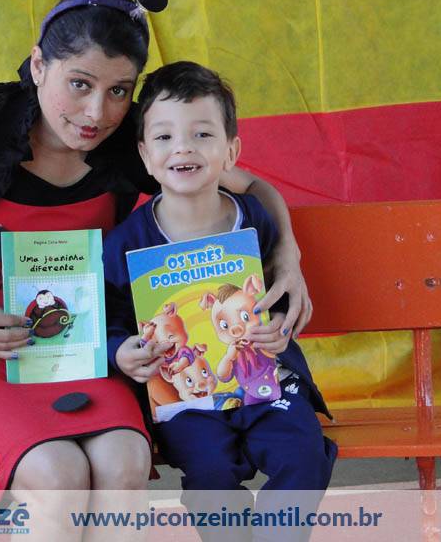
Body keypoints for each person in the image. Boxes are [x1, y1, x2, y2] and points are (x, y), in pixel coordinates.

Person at [0, 0, 310, 521]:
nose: (96, 114)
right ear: (39, 64)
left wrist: (288, 258)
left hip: (76, 352)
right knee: (56, 472)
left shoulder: (132, 141)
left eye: (119, 91)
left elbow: (253, 188)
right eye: (79, 84)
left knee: (126, 458)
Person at [103, 61, 337, 542]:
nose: (183, 147)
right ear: (145, 155)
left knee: (303, 453)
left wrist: (277, 328)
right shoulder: (127, 242)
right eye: (164, 137)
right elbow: (110, 319)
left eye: (202, 134)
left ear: (231, 151)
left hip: (266, 382)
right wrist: (120, 351)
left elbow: (272, 298)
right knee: (209, 470)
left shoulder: (253, 219)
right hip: (186, 398)